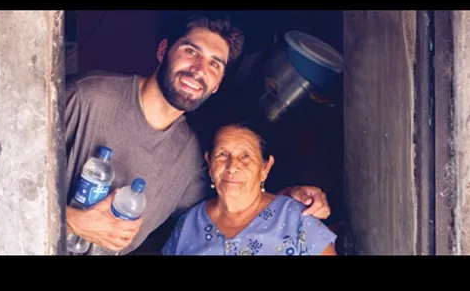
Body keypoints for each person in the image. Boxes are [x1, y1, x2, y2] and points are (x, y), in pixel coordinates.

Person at [64, 13, 332, 255]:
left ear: (217, 84)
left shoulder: (190, 156)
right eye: (191, 51)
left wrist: (290, 197)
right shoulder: (88, 97)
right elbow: (20, 170)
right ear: (163, 51)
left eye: (215, 64)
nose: (200, 69)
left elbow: (232, 200)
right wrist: (72, 220)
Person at [161, 122, 337, 255]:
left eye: (245, 156)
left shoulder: (297, 218)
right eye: (222, 155)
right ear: (209, 163)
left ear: (265, 168)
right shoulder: (188, 223)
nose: (232, 167)